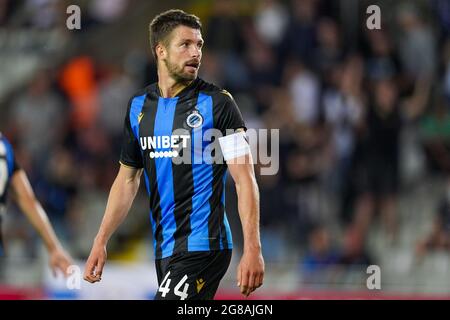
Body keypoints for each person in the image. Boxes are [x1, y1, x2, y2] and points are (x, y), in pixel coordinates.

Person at [83, 9, 264, 300]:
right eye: (186, 44)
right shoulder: (138, 107)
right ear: (161, 50)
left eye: (199, 45)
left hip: (205, 245)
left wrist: (253, 248)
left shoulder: (218, 104)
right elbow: (127, 180)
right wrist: (100, 240)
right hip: (165, 247)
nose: (196, 53)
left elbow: (244, 179)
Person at [0, 132, 73, 277]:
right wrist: (54, 247)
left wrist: (54, 248)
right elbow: (28, 200)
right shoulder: (4, 147)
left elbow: (28, 200)